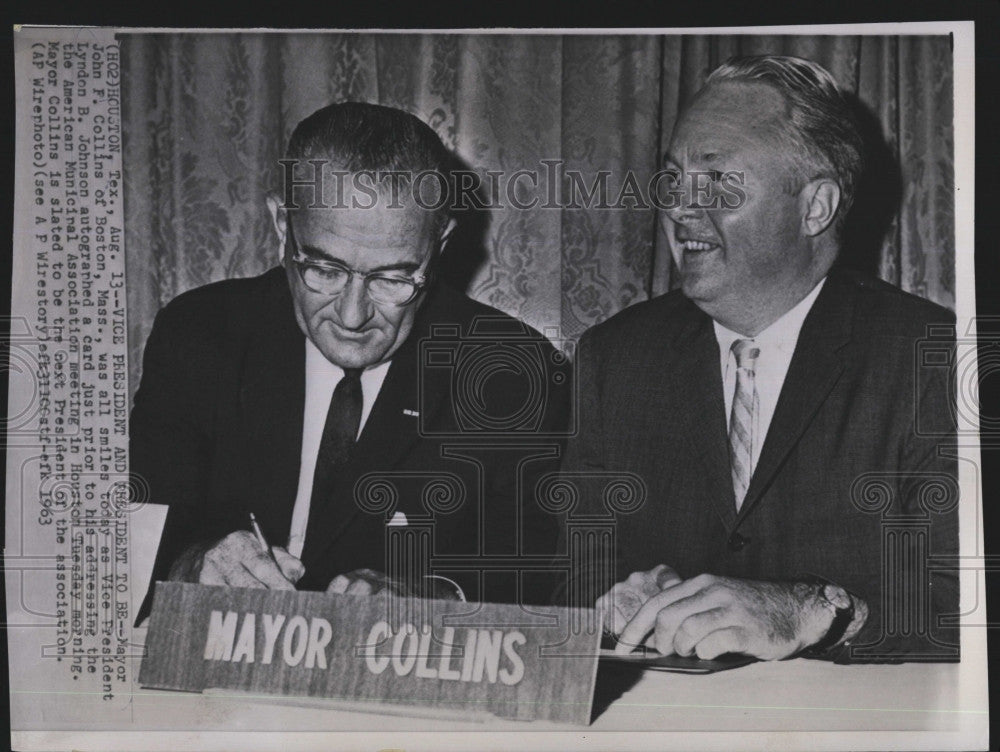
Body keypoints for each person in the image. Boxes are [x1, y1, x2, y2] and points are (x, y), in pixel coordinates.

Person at [559, 55, 958, 663]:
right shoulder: (615, 359)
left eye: (718, 183)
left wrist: (811, 611)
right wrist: (624, 598)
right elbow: (572, 579)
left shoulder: (933, 359)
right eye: (674, 179)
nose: (680, 209)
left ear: (815, 207)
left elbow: (969, 605)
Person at [132, 102, 569, 623]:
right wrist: (193, 563)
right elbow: (138, 528)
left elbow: (537, 573)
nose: (353, 314)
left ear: (441, 242)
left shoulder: (510, 370)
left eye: (393, 278)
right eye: (325, 268)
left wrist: (437, 601)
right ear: (281, 224)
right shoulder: (201, 333)